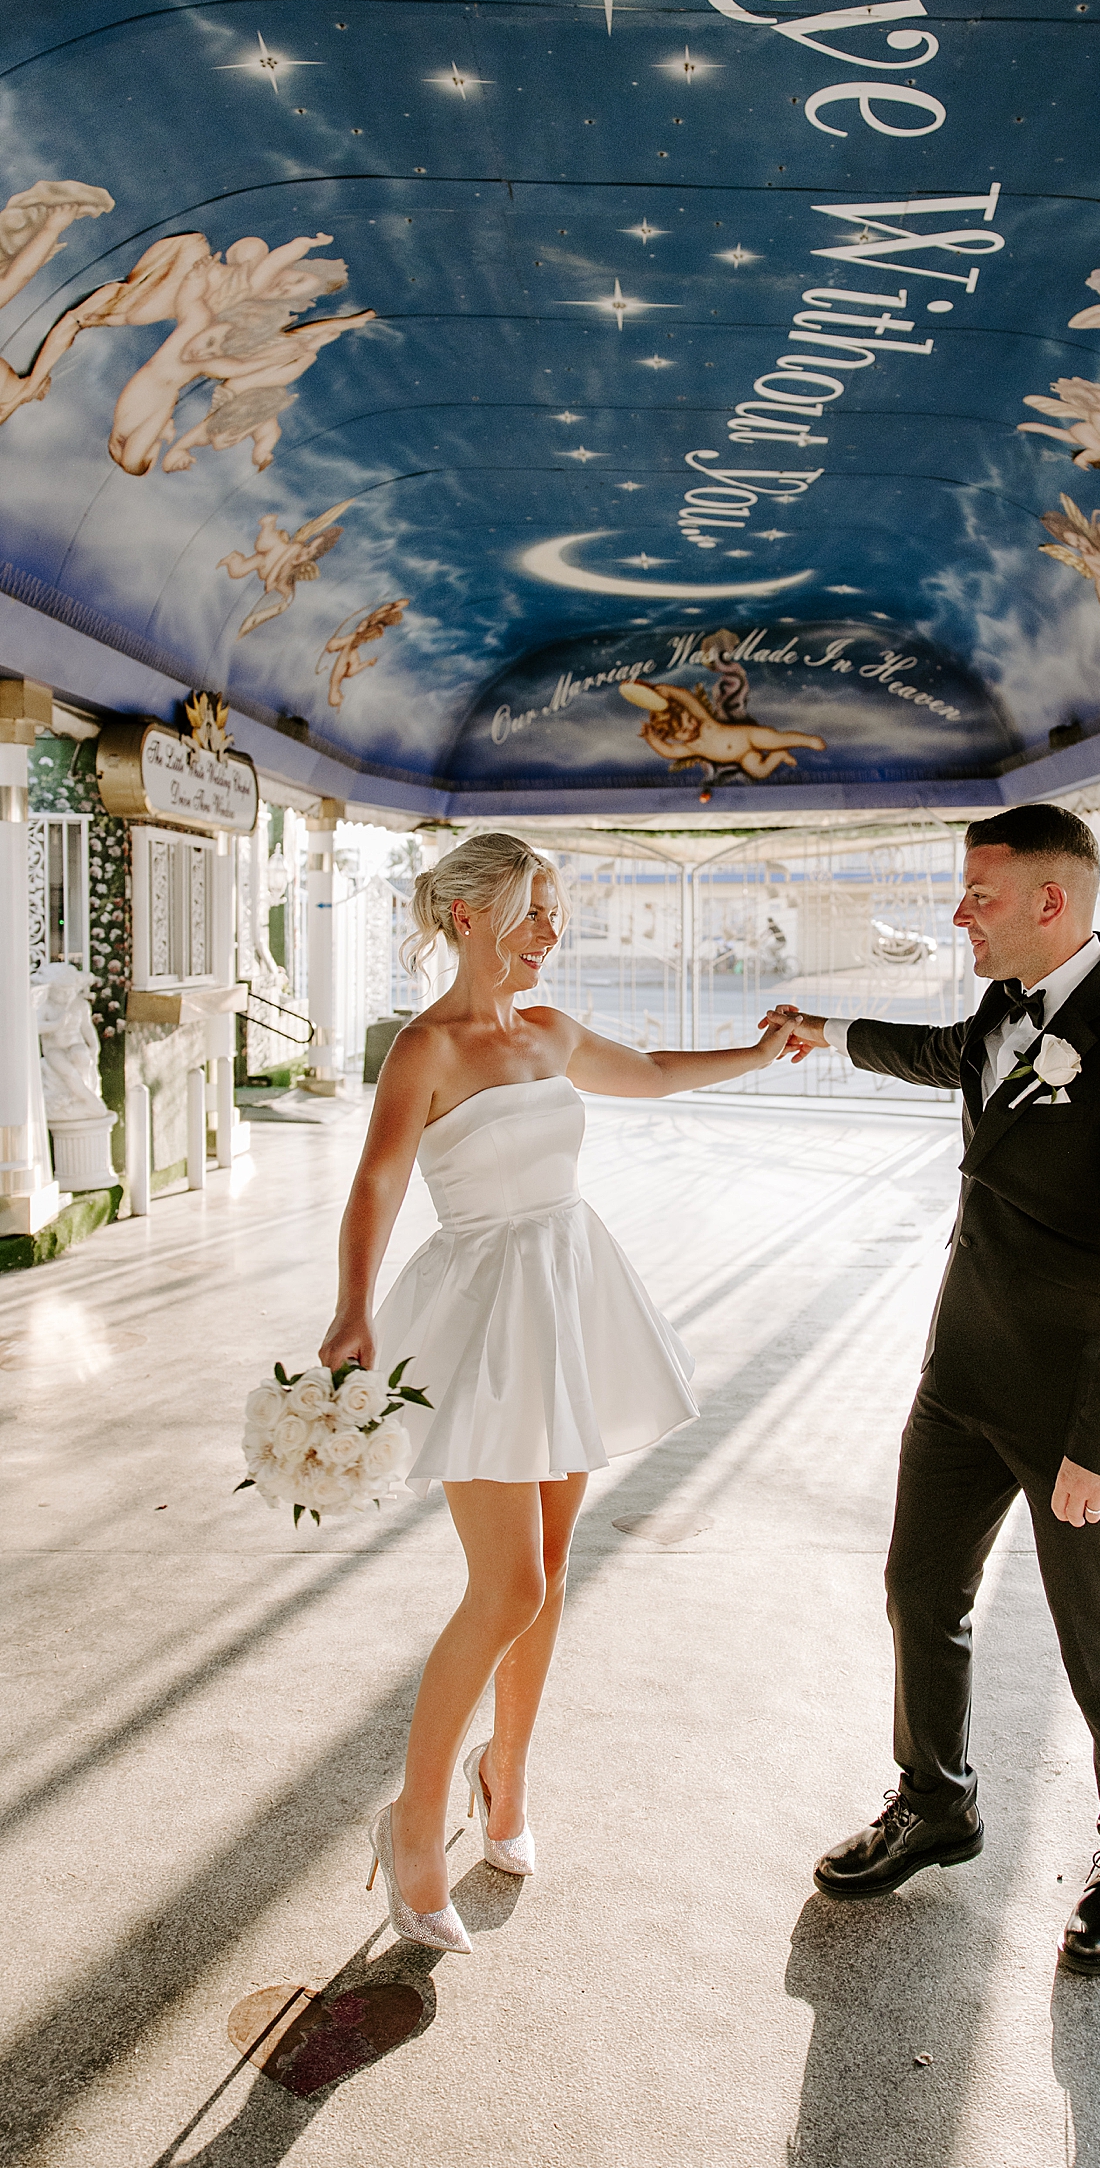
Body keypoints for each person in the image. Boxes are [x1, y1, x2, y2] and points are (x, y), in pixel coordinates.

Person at [320, 831, 793, 1954]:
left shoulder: (552, 1030)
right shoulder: (425, 1048)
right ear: (468, 915)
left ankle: (509, 1776)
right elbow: (377, 1182)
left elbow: (659, 1071)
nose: (550, 931)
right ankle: (414, 1820)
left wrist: (760, 1050)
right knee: (508, 1585)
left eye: (554, 913)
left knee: (551, 1568)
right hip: (482, 1316)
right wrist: (353, 1308)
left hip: (571, 1297)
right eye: (532, 909)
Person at [765, 804, 1100, 1973]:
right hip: (962, 1373)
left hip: (1077, 1408)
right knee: (919, 1588)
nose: (959, 912)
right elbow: (944, 1054)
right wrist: (827, 1028)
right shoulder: (1008, 1008)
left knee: (1099, 1635)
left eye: (980, 893)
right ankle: (936, 1798)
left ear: (1050, 901)